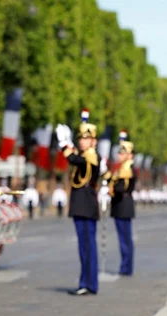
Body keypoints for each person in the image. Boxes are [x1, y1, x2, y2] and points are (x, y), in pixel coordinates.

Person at [56, 109, 101, 296]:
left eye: (86, 138)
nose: (82, 140)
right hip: (83, 205)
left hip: (85, 206)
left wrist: (63, 144)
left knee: (87, 246)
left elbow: (74, 159)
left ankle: (88, 283)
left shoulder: (90, 156)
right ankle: (88, 282)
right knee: (85, 246)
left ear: (93, 141)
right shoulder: (86, 155)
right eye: (80, 138)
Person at [105, 130, 136, 276]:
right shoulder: (122, 169)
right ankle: (126, 265)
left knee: (125, 238)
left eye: (122, 153)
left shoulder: (127, 168)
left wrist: (110, 186)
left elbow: (119, 187)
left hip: (123, 204)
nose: (119, 156)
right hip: (120, 205)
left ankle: (126, 266)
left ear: (129, 155)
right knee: (123, 238)